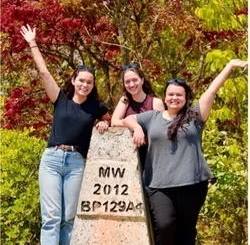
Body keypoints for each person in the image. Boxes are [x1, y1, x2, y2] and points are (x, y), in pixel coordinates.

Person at [122, 59, 248, 245]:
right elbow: (128, 119)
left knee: (186, 232)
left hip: (192, 184)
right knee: (165, 227)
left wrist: (229, 65)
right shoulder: (152, 117)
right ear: (164, 98)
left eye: (179, 95)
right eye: (170, 94)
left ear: (185, 97)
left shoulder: (195, 117)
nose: (174, 98)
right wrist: (138, 128)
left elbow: (211, 90)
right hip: (158, 185)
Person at [20, 24, 111, 245]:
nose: (85, 84)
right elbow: (43, 72)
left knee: (69, 219)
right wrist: (33, 43)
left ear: (92, 85)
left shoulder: (96, 107)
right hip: (52, 160)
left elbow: (111, 119)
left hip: (76, 163)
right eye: (81, 80)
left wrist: (102, 123)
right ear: (73, 81)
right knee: (51, 218)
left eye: (89, 82)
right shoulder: (60, 100)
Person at [111, 63, 165, 169]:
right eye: (127, 82)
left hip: (152, 156)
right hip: (129, 155)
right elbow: (114, 122)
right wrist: (136, 126)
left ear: (142, 80)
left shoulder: (156, 103)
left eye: (135, 80)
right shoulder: (125, 100)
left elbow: (161, 131)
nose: (131, 84)